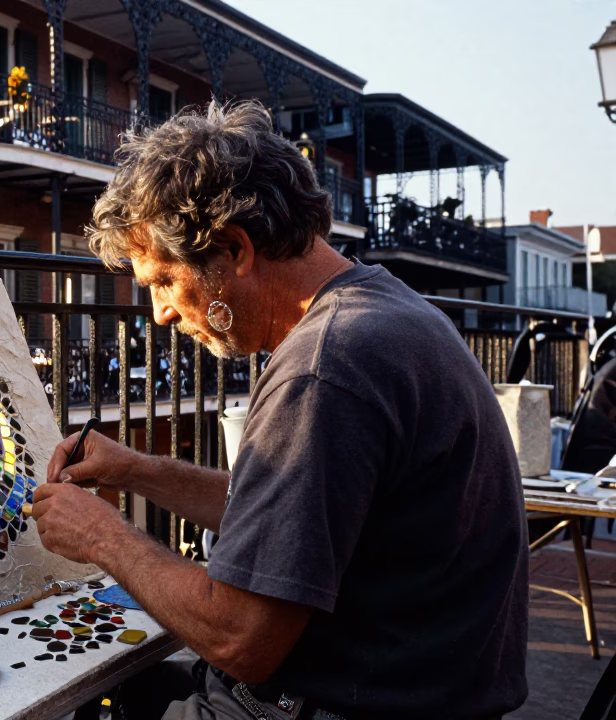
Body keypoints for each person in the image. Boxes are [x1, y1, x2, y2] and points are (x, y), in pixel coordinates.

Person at [29, 100, 527, 719]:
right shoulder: (383, 309)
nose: (158, 313)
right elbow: (286, 523)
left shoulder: (326, 366)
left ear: (235, 249)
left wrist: (102, 536)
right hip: (425, 688)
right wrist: (136, 470)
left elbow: (240, 638)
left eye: (163, 281)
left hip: (349, 700)